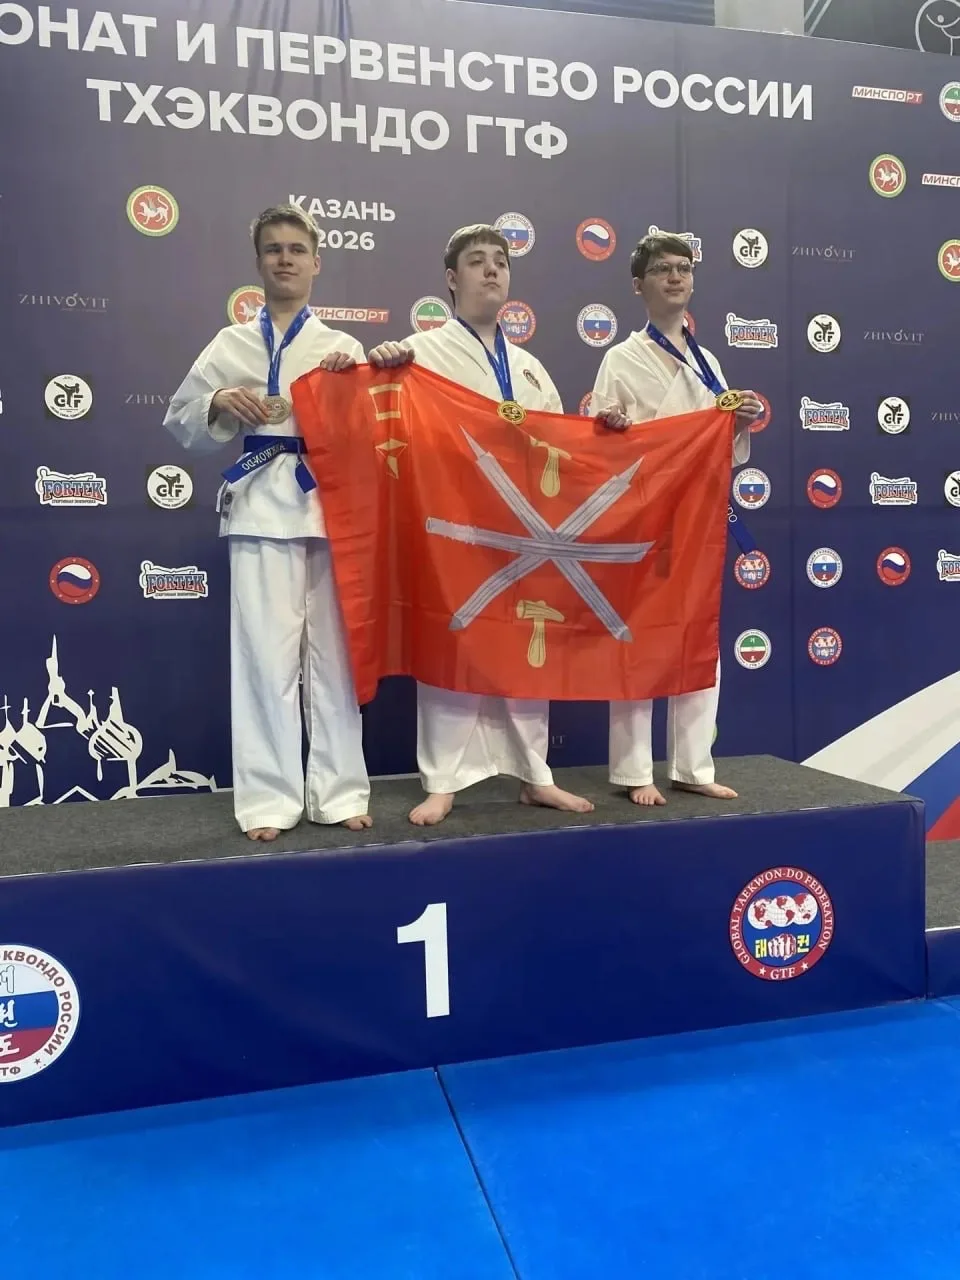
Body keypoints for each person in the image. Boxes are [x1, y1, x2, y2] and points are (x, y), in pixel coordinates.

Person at [366, 224, 597, 826]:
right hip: (455, 522)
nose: (492, 270)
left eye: (500, 261)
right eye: (477, 261)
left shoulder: (530, 367)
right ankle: (442, 781)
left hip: (527, 524)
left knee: (526, 644)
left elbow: (562, 442)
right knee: (455, 639)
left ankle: (536, 776)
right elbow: (384, 416)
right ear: (452, 278)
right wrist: (382, 364)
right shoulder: (420, 352)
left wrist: (608, 431)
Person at [164, 204, 371, 841]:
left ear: (316, 262)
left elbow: (372, 434)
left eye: (296, 249)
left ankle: (340, 792)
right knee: (264, 660)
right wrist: (218, 401)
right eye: (274, 249)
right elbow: (181, 420)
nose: (285, 258)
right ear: (258, 262)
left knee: (334, 660)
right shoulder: (230, 343)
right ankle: (269, 800)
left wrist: (352, 390)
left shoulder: (341, 347)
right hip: (257, 505)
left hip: (327, 509)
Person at [590, 231, 763, 808]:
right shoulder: (620, 358)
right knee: (635, 637)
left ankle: (693, 764)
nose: (675, 277)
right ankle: (633, 768)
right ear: (638, 286)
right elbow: (600, 443)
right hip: (642, 514)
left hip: (697, 516)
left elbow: (719, 447)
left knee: (698, 635)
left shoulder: (708, 362)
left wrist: (739, 422)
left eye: (683, 268)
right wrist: (611, 428)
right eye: (663, 269)